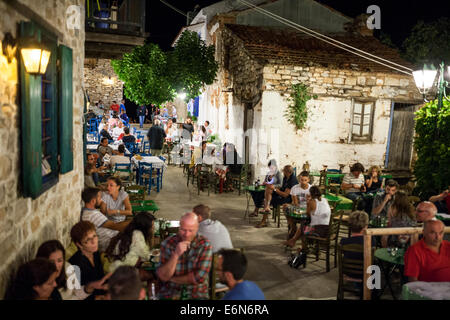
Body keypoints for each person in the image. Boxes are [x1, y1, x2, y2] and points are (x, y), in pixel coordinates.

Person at [156, 212, 213, 300]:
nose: (186, 234)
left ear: (197, 228)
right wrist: (175, 255)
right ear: (179, 227)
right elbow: (162, 276)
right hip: (171, 292)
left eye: (191, 230)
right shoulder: (168, 243)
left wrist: (170, 279)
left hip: (196, 294)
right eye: (183, 230)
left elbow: (199, 278)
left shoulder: (204, 245)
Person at [36, 240, 110, 300]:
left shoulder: (68, 268)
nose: (56, 266)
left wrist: (90, 286)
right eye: (51, 262)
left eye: (59, 260)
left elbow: (77, 294)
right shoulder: (40, 284)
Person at [68, 221, 109, 299]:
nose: (94, 242)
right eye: (88, 240)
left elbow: (99, 278)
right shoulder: (74, 265)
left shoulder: (95, 252)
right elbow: (75, 295)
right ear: (79, 245)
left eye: (94, 236)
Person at [81, 187, 130, 252]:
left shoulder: (89, 212)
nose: (101, 200)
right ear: (93, 201)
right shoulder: (93, 215)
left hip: (114, 238)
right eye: (99, 197)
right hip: (112, 244)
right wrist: (134, 222)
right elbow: (116, 226)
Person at [283, 171, 311, 239]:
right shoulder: (295, 188)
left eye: (305, 180)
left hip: (308, 208)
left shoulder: (311, 189)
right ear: (299, 179)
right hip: (298, 207)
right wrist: (298, 207)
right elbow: (295, 203)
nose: (303, 182)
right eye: (301, 180)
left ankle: (300, 230)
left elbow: (312, 203)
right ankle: (293, 227)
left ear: (308, 180)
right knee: (285, 207)